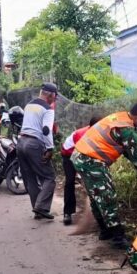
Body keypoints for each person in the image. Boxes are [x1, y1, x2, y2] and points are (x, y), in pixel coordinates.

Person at [71, 102, 137, 249]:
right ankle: (118, 237)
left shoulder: (120, 117)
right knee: (107, 195)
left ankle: (105, 230)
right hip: (90, 159)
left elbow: (126, 149)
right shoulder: (129, 131)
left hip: (80, 156)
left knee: (96, 195)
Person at [18, 83, 58, 220]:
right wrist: (50, 148)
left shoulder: (29, 105)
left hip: (21, 142)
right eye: (55, 97)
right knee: (49, 177)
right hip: (34, 144)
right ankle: (41, 207)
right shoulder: (48, 109)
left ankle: (37, 209)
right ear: (51, 95)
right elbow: (46, 130)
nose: (54, 99)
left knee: (30, 178)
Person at [60, 116, 101, 225]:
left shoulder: (99, 132)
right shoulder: (82, 135)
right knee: (70, 182)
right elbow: (82, 155)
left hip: (81, 154)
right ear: (92, 127)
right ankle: (67, 213)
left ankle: (97, 214)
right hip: (68, 155)